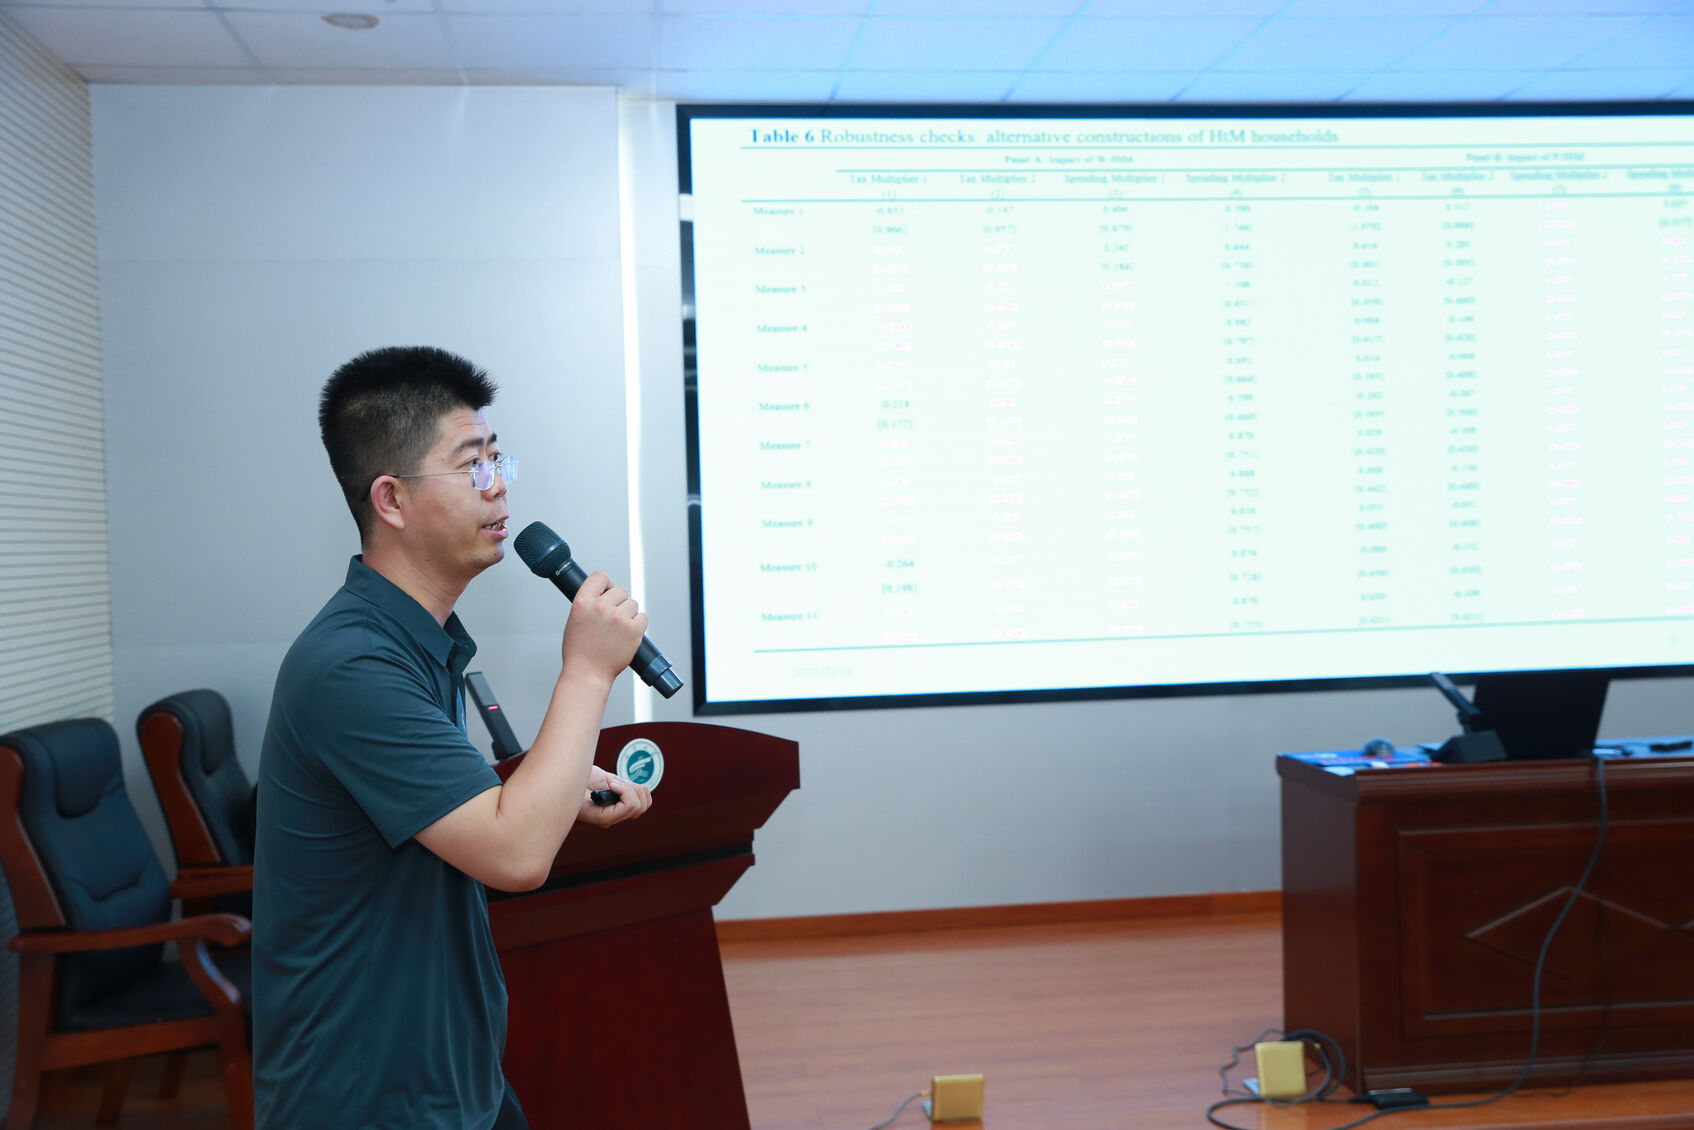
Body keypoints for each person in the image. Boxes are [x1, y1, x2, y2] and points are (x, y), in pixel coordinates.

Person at [253, 346, 652, 1130]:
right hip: (366, 1095)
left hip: (450, 1071)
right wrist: (587, 671)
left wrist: (552, 787)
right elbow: (515, 856)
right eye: (472, 465)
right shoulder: (352, 665)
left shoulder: (413, 641)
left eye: (498, 460)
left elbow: (455, 819)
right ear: (392, 499)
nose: (498, 485)